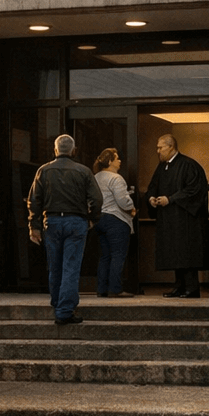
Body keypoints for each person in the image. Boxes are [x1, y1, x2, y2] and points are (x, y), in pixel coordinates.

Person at [27, 134, 102, 325]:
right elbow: (97, 199)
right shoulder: (83, 171)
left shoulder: (43, 171)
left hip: (51, 221)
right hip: (76, 222)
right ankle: (65, 310)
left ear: (55, 150)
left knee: (55, 266)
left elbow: (34, 201)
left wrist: (34, 226)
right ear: (73, 150)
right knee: (71, 266)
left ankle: (57, 303)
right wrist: (92, 219)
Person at [145, 134, 208, 298]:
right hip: (169, 219)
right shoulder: (161, 167)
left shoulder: (188, 165)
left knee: (186, 252)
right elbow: (153, 186)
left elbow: (194, 190)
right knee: (174, 252)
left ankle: (192, 288)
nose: (158, 151)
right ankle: (179, 286)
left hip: (185, 220)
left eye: (160, 147)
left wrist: (171, 199)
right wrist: (151, 198)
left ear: (171, 146)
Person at [91, 147, 136, 298]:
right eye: (117, 158)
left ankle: (101, 289)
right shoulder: (116, 178)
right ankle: (115, 289)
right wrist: (132, 208)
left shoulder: (96, 177)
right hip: (116, 219)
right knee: (118, 255)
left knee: (104, 255)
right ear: (110, 161)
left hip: (100, 219)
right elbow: (123, 201)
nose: (120, 161)